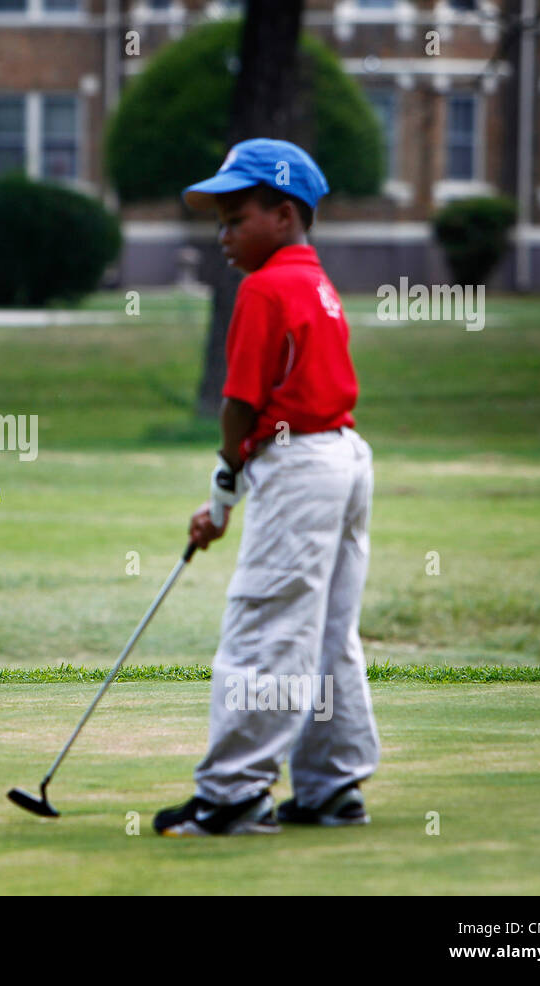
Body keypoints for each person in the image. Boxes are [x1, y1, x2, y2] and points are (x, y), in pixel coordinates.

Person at [153, 139, 381, 835]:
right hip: (344, 458)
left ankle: (235, 794)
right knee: (328, 630)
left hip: (303, 469)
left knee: (267, 623)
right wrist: (225, 495)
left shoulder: (264, 286)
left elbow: (240, 407)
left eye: (235, 217)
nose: (222, 235)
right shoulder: (316, 281)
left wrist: (224, 491)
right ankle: (330, 786)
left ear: (283, 214)